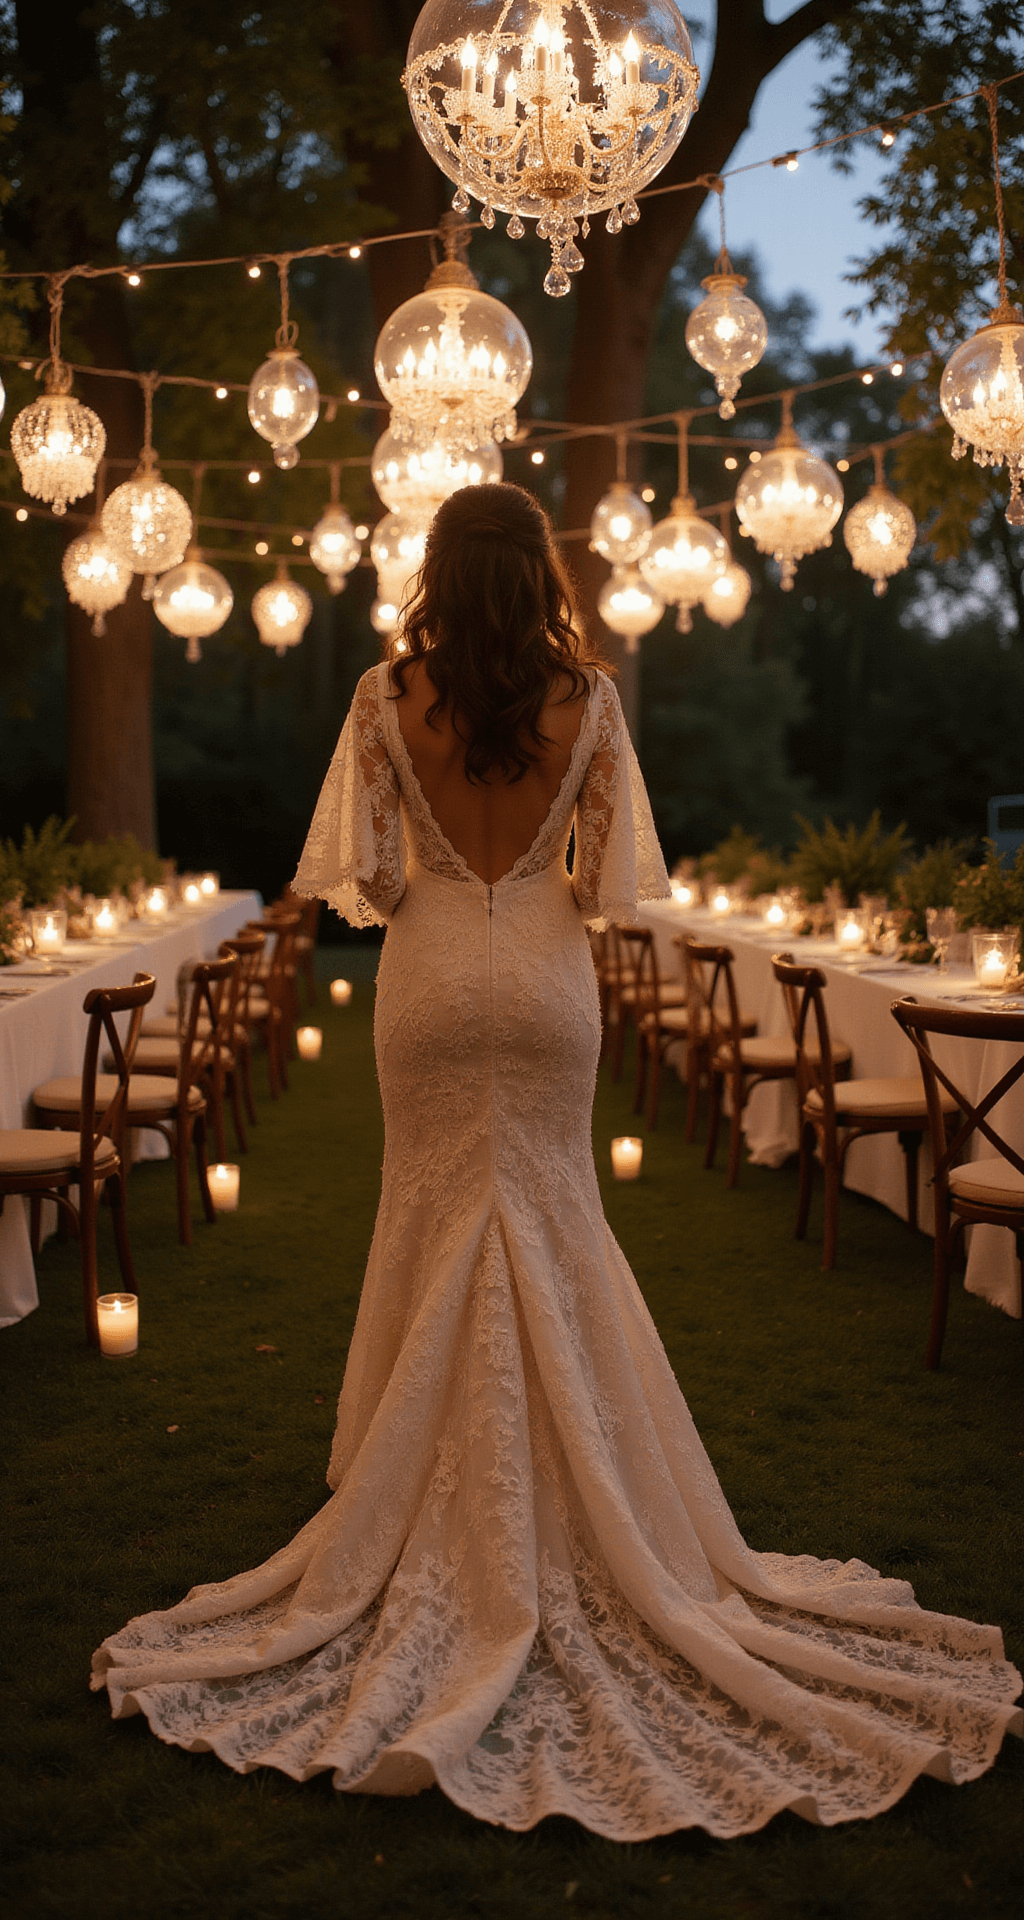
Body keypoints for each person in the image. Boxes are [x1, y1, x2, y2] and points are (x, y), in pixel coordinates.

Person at [92, 484, 1021, 1841]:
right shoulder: (587, 699)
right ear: (538, 574)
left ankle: (412, 1484)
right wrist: (523, 879)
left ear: (433, 571)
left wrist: (447, 881)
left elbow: (371, 877)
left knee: (427, 1212)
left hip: (424, 990)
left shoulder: (380, 694)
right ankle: (584, 1492)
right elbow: (609, 886)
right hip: (542, 979)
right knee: (553, 1215)